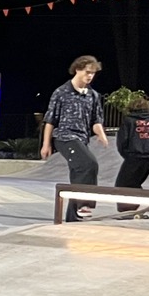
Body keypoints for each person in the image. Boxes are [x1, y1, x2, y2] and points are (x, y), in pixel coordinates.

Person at [40, 54, 109, 223]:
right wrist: (46, 144)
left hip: (82, 139)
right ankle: (85, 204)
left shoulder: (93, 95)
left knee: (79, 173)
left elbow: (96, 121)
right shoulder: (61, 92)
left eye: (93, 73)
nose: (90, 76)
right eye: (87, 72)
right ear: (77, 70)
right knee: (89, 164)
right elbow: (50, 120)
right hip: (64, 137)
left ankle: (72, 217)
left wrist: (101, 134)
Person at [114, 96, 149, 214]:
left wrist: (127, 155)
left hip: (135, 155)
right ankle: (134, 204)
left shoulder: (129, 121)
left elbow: (122, 141)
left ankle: (127, 209)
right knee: (134, 182)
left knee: (122, 183)